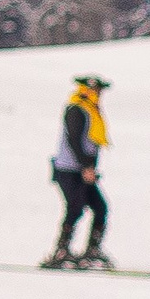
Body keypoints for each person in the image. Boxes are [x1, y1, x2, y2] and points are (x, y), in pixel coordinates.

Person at [43, 74, 112, 270]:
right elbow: (74, 140)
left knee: (100, 207)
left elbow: (92, 144)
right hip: (69, 170)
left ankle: (92, 251)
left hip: (82, 170)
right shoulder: (76, 109)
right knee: (76, 207)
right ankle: (61, 251)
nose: (99, 94)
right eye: (97, 90)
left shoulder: (92, 111)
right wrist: (86, 167)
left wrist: (90, 167)